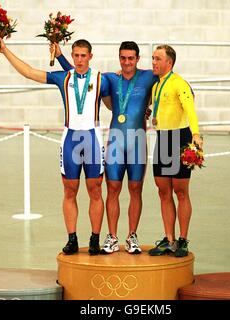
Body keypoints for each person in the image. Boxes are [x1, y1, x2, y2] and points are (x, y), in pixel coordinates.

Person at [0, 37, 110, 255]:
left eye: (83, 55)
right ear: (72, 55)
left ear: (90, 57)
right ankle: (72, 238)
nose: (79, 59)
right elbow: (29, 72)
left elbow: (115, 101)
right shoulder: (63, 78)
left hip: (93, 138)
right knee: (69, 190)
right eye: (75, 55)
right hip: (70, 139)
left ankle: (95, 239)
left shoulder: (101, 79)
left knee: (95, 190)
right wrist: (5, 50)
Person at [53, 41, 158, 254]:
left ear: (138, 59)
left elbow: (167, 85)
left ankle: (132, 236)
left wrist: (151, 108)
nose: (127, 62)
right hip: (115, 140)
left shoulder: (149, 76)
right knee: (112, 188)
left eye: (131, 58)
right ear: (119, 58)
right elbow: (78, 73)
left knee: (135, 189)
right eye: (123, 58)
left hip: (137, 139)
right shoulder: (110, 78)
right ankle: (111, 236)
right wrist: (60, 56)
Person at [147, 44, 203, 258]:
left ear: (169, 63)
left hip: (180, 138)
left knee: (181, 192)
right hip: (162, 139)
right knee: (163, 191)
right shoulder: (156, 85)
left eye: (157, 59)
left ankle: (182, 239)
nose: (153, 62)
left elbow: (190, 109)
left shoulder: (180, 83)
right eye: (152, 58)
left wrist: (196, 135)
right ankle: (169, 239)